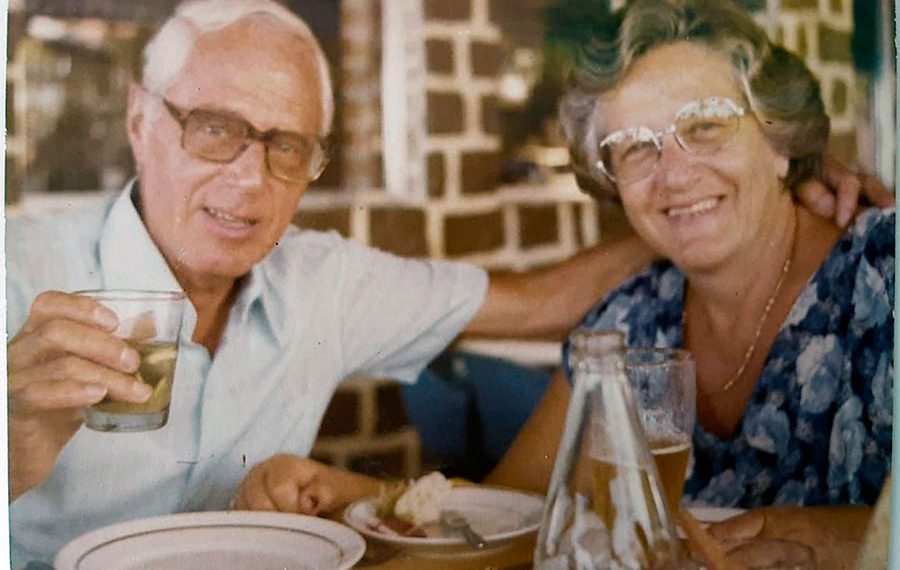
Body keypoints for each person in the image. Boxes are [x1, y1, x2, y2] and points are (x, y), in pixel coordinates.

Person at [5, 0, 888, 564]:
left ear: (780, 137)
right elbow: (530, 511)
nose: (247, 178)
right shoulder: (17, 272)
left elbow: (534, 311)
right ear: (138, 121)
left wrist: (736, 207)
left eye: (286, 146)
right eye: (212, 128)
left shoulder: (320, 279)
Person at [482, 0, 893, 511]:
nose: (675, 175)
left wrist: (843, 541)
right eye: (635, 147)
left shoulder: (885, 280)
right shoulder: (629, 322)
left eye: (705, 126)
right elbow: (499, 519)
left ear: (779, 142)